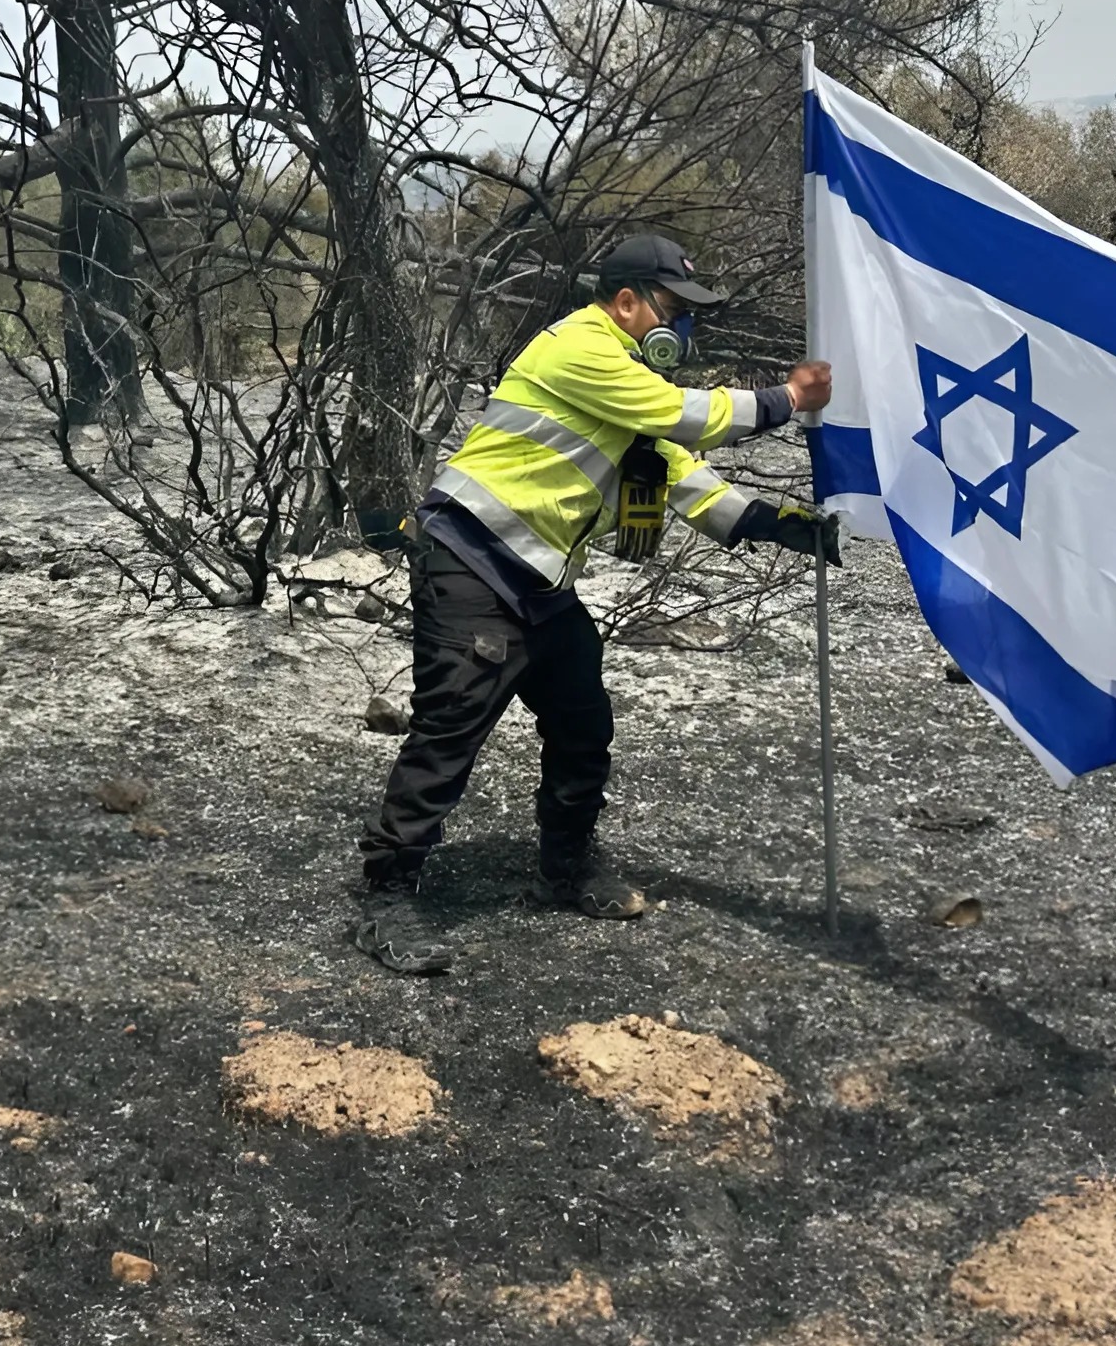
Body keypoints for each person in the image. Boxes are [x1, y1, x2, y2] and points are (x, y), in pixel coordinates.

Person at [354, 232, 836, 974]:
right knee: (451, 730)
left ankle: (566, 868)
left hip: (540, 583)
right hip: (471, 563)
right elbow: (686, 416)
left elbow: (690, 482)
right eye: (673, 311)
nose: (682, 329)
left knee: (583, 725)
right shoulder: (579, 348)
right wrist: (788, 399)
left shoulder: (631, 391)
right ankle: (387, 896)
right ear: (625, 302)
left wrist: (786, 528)